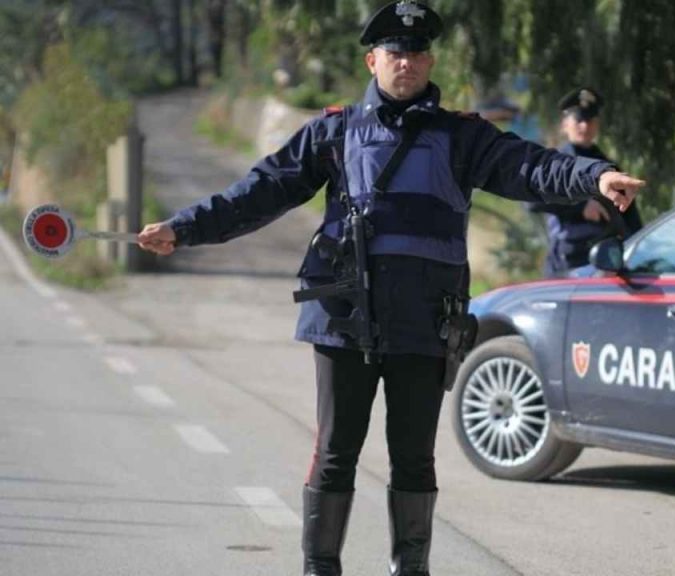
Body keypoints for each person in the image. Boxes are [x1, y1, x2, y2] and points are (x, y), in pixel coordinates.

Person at [136, 2, 643, 575]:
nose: (408, 62)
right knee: (334, 454)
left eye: (418, 52)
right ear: (372, 59)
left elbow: (532, 167)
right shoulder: (334, 132)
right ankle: (319, 567)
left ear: (429, 61)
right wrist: (185, 228)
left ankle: (411, 568)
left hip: (424, 323)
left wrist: (593, 177)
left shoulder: (462, 138)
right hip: (345, 319)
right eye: (396, 52)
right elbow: (260, 192)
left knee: (414, 460)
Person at [529, 87, 644, 277]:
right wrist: (581, 207)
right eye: (579, 120)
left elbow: (630, 215)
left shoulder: (608, 166)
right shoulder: (555, 162)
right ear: (565, 124)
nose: (584, 126)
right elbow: (532, 200)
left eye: (589, 120)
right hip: (568, 263)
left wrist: (640, 248)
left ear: (597, 124)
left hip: (607, 261)